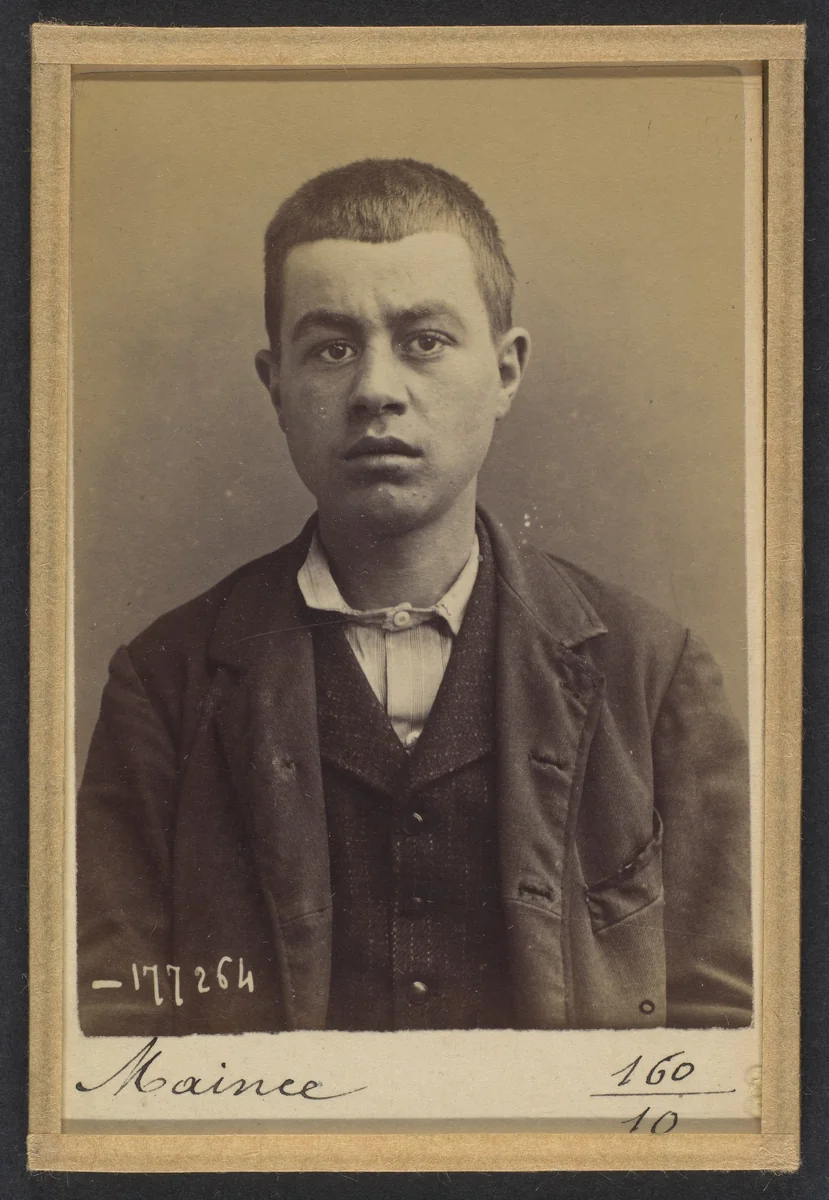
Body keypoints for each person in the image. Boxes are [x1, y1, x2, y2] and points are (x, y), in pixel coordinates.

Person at [77, 158, 752, 1036]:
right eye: (330, 348)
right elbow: (111, 1038)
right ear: (274, 383)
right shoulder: (164, 687)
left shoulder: (650, 670)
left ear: (506, 371)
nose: (376, 392)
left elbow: (728, 1035)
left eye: (424, 341)